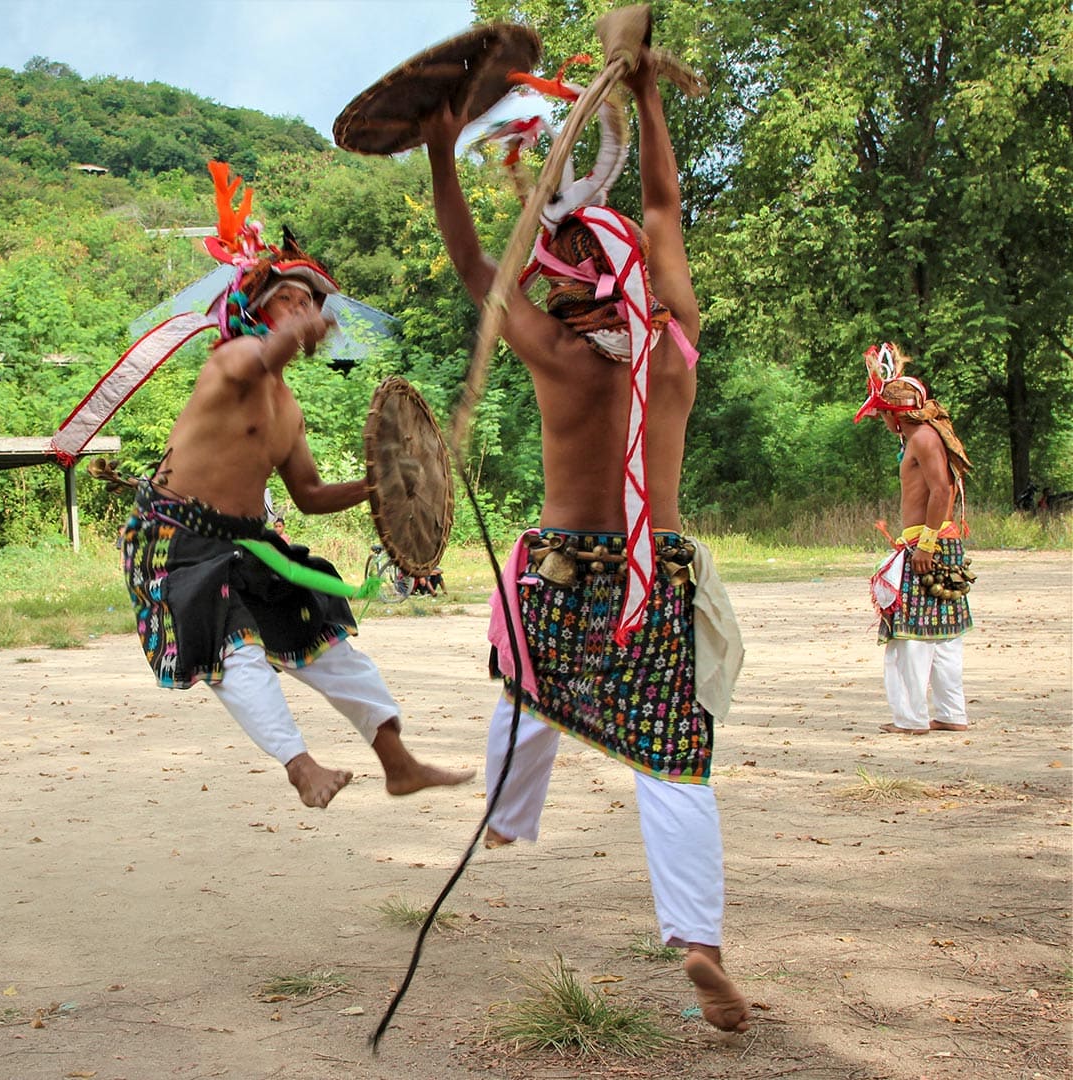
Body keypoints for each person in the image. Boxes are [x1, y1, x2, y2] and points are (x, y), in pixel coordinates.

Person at [423, 43, 749, 1033]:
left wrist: (443, 150)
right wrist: (648, 100)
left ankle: (507, 816)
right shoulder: (674, 342)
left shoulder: (560, 353)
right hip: (656, 575)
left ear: (563, 287)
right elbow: (662, 211)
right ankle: (696, 940)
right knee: (671, 761)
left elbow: (477, 262)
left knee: (525, 681)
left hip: (562, 572)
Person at [122, 162, 473, 809]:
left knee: (328, 642)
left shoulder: (288, 410)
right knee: (239, 652)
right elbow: (263, 354)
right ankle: (301, 766)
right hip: (176, 541)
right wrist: (296, 334)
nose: (307, 309)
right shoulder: (231, 362)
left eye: (313, 301)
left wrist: (378, 486)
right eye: (291, 297)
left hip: (252, 541)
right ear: (255, 306)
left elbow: (309, 496)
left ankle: (397, 761)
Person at [854, 342, 974, 735]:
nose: (882, 421)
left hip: (929, 546)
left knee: (909, 636)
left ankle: (911, 719)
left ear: (895, 414)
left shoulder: (922, 437)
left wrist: (925, 544)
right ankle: (950, 714)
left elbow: (942, 491)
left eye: (883, 414)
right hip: (939, 543)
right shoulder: (923, 436)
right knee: (942, 636)